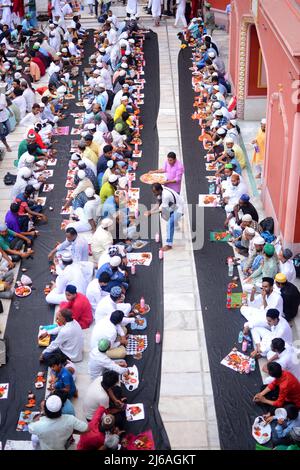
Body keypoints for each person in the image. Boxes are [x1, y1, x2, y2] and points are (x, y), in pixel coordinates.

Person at [145, 183, 184, 251]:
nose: (153, 194)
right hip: (173, 204)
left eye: (155, 192)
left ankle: (169, 245)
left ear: (159, 190)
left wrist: (151, 213)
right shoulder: (161, 191)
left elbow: (162, 209)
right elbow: (158, 202)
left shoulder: (165, 196)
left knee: (169, 224)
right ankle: (176, 224)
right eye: (153, 192)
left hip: (180, 207)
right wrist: (150, 210)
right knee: (164, 216)